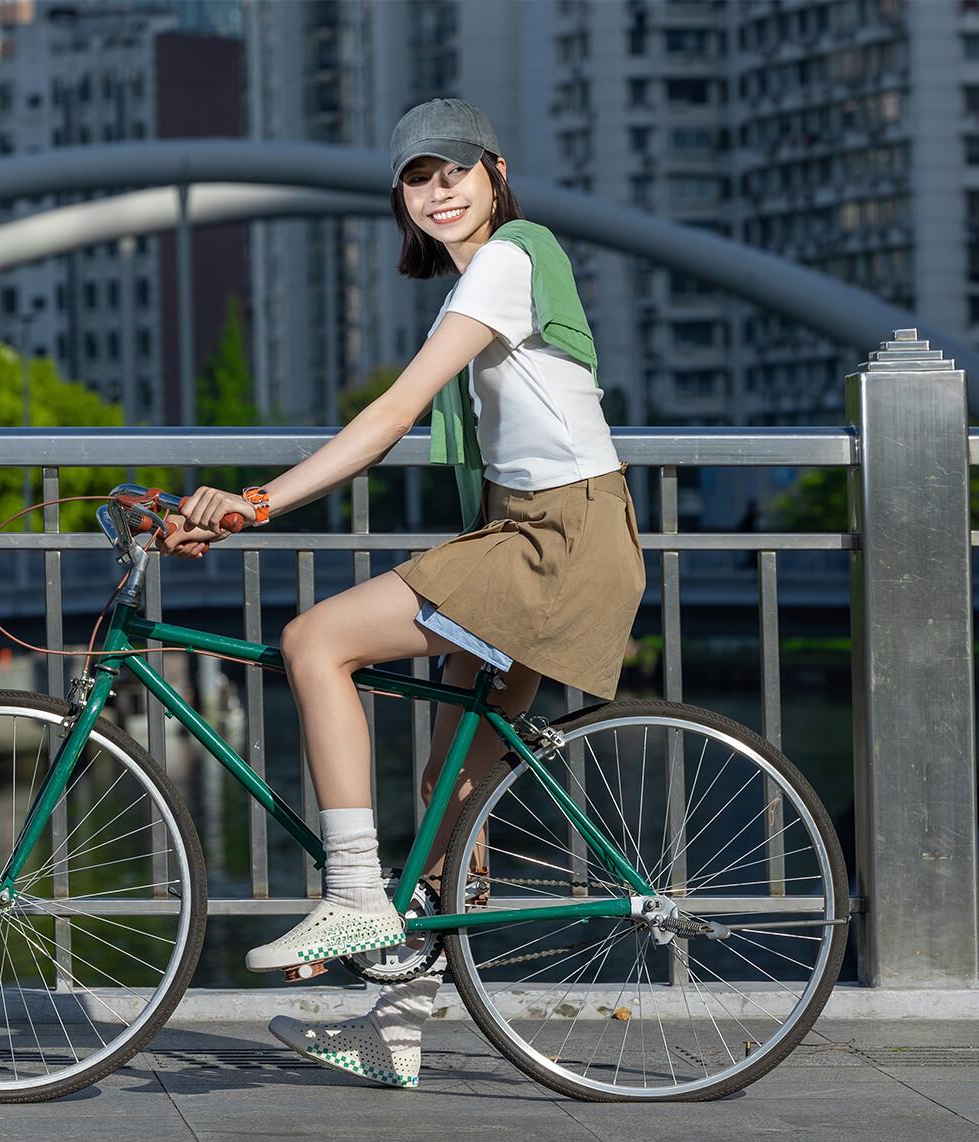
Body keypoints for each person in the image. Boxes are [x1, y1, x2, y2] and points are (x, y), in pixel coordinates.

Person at [161, 97, 647, 1088]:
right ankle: (397, 1030)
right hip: (546, 532)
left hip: (555, 538)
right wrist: (236, 513)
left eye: (454, 171)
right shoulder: (490, 277)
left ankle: (352, 896)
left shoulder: (510, 258)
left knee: (316, 641)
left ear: (496, 174)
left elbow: (391, 414)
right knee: (450, 790)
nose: (438, 192)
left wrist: (258, 502)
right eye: (418, 179)